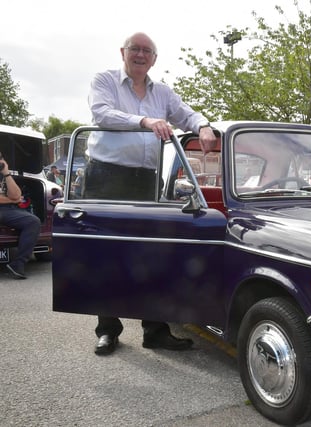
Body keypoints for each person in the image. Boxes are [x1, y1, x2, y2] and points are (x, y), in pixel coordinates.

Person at [86, 32, 217, 356]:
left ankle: (155, 331)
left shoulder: (163, 93)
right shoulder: (104, 81)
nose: (141, 55)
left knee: (150, 254)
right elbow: (101, 113)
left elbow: (186, 113)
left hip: (145, 178)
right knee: (108, 255)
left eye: (147, 51)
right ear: (123, 52)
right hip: (106, 174)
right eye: (135, 49)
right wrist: (144, 120)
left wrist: (203, 126)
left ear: (154, 59)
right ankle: (108, 330)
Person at [0, 156, 41, 280]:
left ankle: (18, 264)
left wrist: (6, 173)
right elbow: (14, 198)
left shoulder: (3, 175)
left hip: (8, 210)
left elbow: (17, 194)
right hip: (4, 208)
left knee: (33, 221)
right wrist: (12, 200)